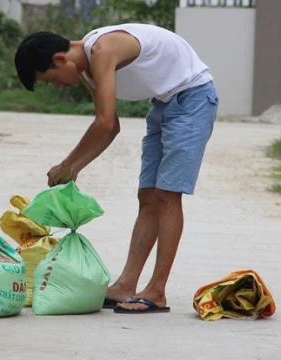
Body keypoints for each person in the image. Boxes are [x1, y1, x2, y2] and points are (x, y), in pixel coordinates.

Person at [14, 23, 218, 314]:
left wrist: (67, 165)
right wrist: (74, 169)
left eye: (51, 80)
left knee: (167, 195)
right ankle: (126, 284)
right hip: (163, 104)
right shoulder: (86, 67)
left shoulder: (102, 51)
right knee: (147, 196)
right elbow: (111, 127)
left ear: (60, 60)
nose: (57, 85)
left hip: (193, 99)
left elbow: (105, 122)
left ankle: (157, 291)